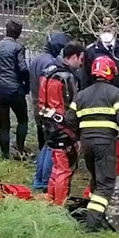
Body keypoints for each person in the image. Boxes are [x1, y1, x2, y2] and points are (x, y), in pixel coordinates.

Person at [66, 55, 119, 231]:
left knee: (96, 181)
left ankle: (94, 215)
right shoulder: (116, 94)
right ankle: (92, 225)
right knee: (106, 185)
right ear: (112, 72)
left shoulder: (81, 95)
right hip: (105, 143)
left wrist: (79, 136)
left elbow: (70, 119)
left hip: (86, 144)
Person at [39, 41, 84, 205]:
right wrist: (75, 134)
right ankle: (59, 205)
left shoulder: (47, 71)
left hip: (48, 125)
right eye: (80, 59)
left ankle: (50, 200)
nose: (81, 63)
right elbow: (72, 107)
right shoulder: (67, 77)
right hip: (63, 129)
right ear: (73, 56)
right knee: (64, 170)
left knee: (56, 169)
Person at [30, 32, 71, 192]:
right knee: (51, 146)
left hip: (37, 105)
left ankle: (39, 179)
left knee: (46, 145)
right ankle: (44, 180)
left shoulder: (37, 59)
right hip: (48, 109)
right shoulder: (50, 64)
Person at [0, 20, 29, 159]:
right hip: (14, 89)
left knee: (4, 124)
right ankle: (19, 150)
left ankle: (5, 155)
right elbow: (23, 69)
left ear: (6, 31)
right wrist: (25, 85)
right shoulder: (18, 47)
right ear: (19, 33)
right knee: (22, 120)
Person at [83, 17, 119, 90]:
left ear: (116, 30)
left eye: (109, 30)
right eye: (103, 30)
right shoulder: (91, 51)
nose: (106, 34)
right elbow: (86, 79)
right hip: (99, 96)